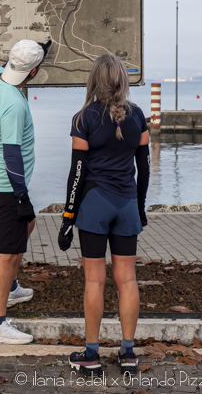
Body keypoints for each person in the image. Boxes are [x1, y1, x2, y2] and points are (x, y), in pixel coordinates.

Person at [57, 53, 150, 375]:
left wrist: (68, 218)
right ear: (123, 80)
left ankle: (92, 354)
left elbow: (77, 173)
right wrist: (139, 207)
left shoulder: (84, 118)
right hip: (126, 205)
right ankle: (128, 353)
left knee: (94, 280)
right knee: (128, 279)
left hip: (95, 204)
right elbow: (144, 169)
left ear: (94, 80)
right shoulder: (138, 116)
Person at [0, 38, 50, 345]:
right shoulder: (14, 104)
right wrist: (21, 196)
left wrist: (39, 49)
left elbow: (13, 66)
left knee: (28, 223)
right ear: (33, 73)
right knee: (6, 255)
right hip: (7, 186)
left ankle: (11, 287)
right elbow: (12, 154)